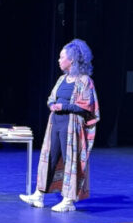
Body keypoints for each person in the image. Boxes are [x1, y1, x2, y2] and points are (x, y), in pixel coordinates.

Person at [20, 39, 99, 212]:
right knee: (50, 157)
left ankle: (68, 200)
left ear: (71, 60)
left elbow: (87, 107)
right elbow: (51, 97)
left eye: (61, 57)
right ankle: (39, 195)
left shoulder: (85, 81)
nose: (58, 60)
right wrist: (52, 105)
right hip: (56, 122)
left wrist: (64, 107)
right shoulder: (62, 79)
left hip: (71, 125)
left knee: (70, 160)